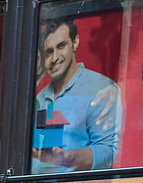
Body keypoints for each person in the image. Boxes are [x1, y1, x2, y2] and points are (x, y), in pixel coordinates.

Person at [33, 18, 122, 173]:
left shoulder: (101, 89)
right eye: (48, 52)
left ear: (75, 42)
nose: (55, 58)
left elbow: (109, 151)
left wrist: (67, 158)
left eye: (61, 46)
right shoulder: (40, 97)